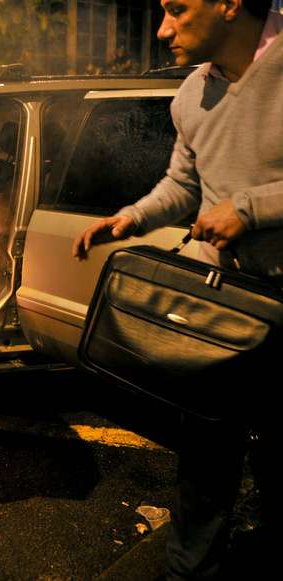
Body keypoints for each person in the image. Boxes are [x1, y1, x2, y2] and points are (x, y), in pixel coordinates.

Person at [72, 2, 281, 577]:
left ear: (229, 4)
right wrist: (130, 217)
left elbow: (239, 200)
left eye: (175, 10)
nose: (162, 29)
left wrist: (249, 209)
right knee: (205, 465)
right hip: (224, 309)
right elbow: (182, 182)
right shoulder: (191, 93)